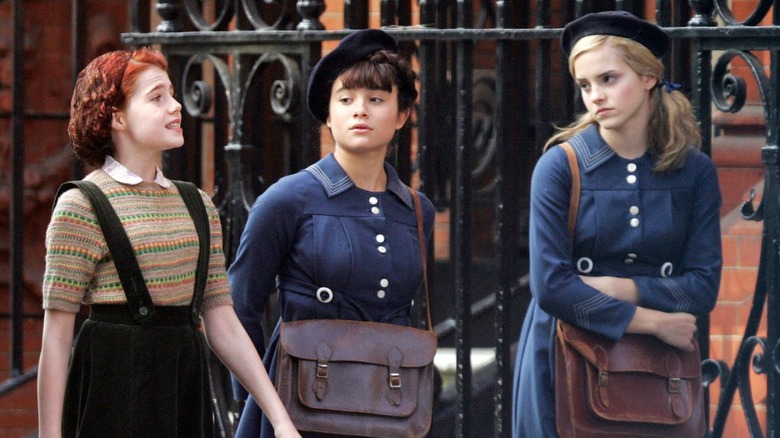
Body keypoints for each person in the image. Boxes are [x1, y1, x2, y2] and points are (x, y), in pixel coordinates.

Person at [37, 47, 301, 438]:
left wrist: (279, 419)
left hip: (184, 393)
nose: (176, 107)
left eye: (173, 94)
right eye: (157, 97)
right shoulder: (82, 205)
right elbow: (56, 337)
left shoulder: (196, 204)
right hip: (112, 396)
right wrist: (49, 435)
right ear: (118, 116)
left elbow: (221, 321)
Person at [511, 11, 722, 437]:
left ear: (647, 77)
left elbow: (703, 285)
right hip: (566, 353)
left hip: (658, 369)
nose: (595, 96)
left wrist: (626, 288)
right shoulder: (560, 167)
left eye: (609, 79)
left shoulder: (693, 171)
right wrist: (652, 319)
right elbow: (551, 286)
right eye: (585, 85)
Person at [228, 28, 436, 438]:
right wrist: (260, 403)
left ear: (402, 114)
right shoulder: (287, 199)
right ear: (327, 114)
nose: (360, 110)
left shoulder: (417, 210)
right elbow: (239, 308)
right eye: (345, 100)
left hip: (387, 409)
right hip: (297, 410)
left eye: (376, 99)